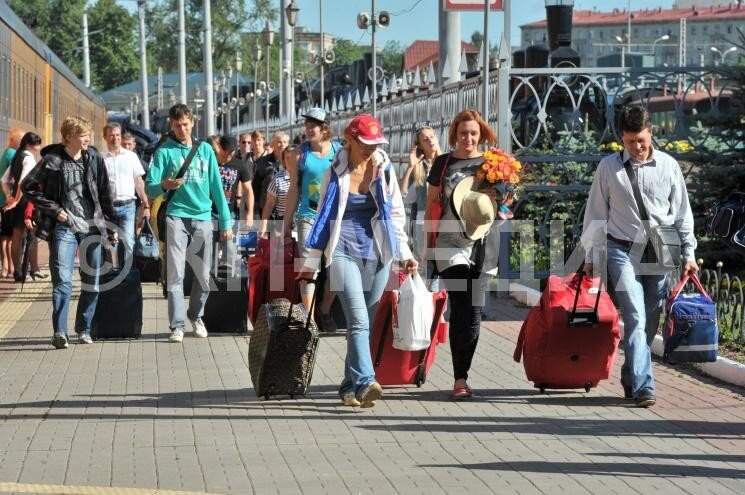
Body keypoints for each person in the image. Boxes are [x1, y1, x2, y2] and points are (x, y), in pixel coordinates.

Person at [297, 114, 417, 408]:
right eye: (365, 143)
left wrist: (405, 254)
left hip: (378, 253)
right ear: (349, 140)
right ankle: (365, 381)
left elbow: (396, 216)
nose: (371, 148)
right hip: (341, 251)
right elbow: (323, 219)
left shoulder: (384, 169)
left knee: (363, 324)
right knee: (359, 318)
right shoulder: (334, 172)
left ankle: (348, 387)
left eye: (376, 143)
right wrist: (311, 263)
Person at [581, 105, 698, 408]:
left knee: (651, 318)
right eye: (630, 141)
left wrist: (689, 253)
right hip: (621, 248)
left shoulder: (669, 166)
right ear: (621, 138)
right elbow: (595, 213)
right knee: (634, 314)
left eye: (642, 140)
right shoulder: (609, 167)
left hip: (659, 246)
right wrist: (592, 256)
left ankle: (632, 374)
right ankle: (645, 385)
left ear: (651, 133)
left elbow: (682, 214)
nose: (637, 147)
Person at [424, 109, 504, 400]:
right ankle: (459, 379)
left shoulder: (493, 162)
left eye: (473, 133)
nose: (468, 138)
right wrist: (426, 246)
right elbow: (431, 203)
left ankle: (463, 376)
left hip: (483, 245)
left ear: (480, 133)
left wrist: (502, 197)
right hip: (449, 244)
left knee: (473, 313)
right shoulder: (444, 164)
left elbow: (507, 203)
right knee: (460, 305)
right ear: (454, 135)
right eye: (462, 133)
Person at [22, 116, 117, 349]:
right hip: (64, 227)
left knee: (92, 282)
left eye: (88, 134)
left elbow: (104, 192)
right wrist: (56, 211)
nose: (88, 138)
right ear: (69, 136)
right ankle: (60, 332)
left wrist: (111, 225)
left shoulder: (93, 158)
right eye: (83, 134)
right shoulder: (52, 160)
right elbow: (28, 186)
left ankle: (83, 329)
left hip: (91, 227)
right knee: (63, 280)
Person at [145, 103, 233, 343]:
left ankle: (196, 315)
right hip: (176, 215)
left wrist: (225, 221)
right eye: (177, 125)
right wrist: (165, 185)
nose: (182, 129)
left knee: (204, 275)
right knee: (175, 273)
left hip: (203, 217)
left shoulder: (205, 150)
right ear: (171, 126)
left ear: (192, 123)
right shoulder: (164, 151)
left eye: (185, 124)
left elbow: (217, 187)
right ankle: (177, 325)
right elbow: (149, 186)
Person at [284, 108, 341, 331]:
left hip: (333, 218)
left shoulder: (338, 152)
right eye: (307, 124)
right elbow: (293, 190)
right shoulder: (299, 154)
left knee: (338, 269)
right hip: (308, 217)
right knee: (309, 266)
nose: (309, 129)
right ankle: (309, 320)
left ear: (325, 128)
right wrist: (286, 223)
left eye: (313, 125)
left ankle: (325, 309)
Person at [102, 122, 150, 269]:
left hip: (128, 206)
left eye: (117, 135)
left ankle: (127, 274)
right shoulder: (100, 158)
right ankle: (113, 272)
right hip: (108, 207)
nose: (115, 138)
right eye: (111, 135)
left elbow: (139, 182)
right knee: (110, 242)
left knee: (128, 241)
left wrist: (146, 204)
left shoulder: (131, 157)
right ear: (105, 137)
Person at [2, 132, 45, 281]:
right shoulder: (28, 158)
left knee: (17, 236)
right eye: (37, 143)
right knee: (30, 235)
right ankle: (29, 269)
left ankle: (19, 272)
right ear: (29, 144)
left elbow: (4, 180)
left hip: (17, 201)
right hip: (26, 201)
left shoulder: (16, 157)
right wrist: (17, 200)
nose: (39, 147)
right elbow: (23, 182)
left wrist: (10, 197)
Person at [400, 125, 443, 259]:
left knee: (443, 266)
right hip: (422, 221)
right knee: (427, 267)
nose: (430, 140)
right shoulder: (418, 167)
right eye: (425, 139)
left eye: (432, 136)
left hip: (443, 219)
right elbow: (402, 195)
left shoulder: (446, 162)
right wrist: (410, 166)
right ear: (420, 145)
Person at [214, 135, 254, 269]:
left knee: (229, 249)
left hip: (228, 213)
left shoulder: (238, 164)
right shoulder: (211, 161)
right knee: (208, 250)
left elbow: (248, 190)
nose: (230, 154)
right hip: (208, 212)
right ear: (220, 148)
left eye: (232, 151)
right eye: (227, 151)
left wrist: (250, 214)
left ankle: (226, 282)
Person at [0, 128, 23, 278]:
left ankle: (5, 267)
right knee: (13, 235)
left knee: (4, 236)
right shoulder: (14, 155)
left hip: (3, 200)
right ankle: (13, 266)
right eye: (21, 141)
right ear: (13, 140)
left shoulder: (5, 154)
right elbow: (15, 178)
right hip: (11, 200)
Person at [258, 145, 293, 238]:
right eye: (288, 158)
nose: (291, 161)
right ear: (284, 161)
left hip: (301, 222)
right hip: (280, 223)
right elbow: (269, 204)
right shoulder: (278, 179)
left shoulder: (306, 178)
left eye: (294, 157)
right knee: (277, 252)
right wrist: (264, 225)